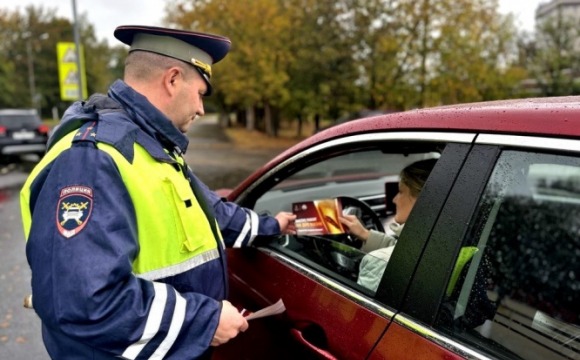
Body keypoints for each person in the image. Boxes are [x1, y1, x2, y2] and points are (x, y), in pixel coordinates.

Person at [20, 25, 295, 360]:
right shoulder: (91, 159)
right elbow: (86, 302)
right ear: (173, 79)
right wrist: (204, 321)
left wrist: (272, 226)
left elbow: (206, 211)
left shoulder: (149, 148)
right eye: (200, 93)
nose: (202, 109)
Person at [340, 158, 437, 291]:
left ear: (421, 201)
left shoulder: (380, 264)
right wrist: (365, 234)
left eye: (401, 191)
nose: (394, 199)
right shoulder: (439, 240)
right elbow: (403, 249)